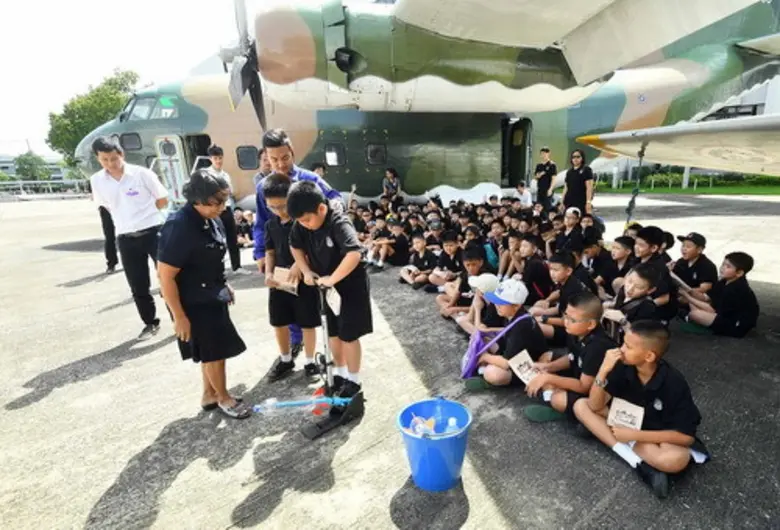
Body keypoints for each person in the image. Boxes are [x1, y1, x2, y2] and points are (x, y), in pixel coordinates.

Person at [574, 320, 709, 498]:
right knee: (581, 405)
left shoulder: (674, 383)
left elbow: (685, 437)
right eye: (623, 342)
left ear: (649, 356)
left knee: (675, 460)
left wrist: (634, 435)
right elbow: (595, 405)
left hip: (656, 432)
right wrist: (603, 370)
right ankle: (639, 464)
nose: (621, 349)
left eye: (628, 347)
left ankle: (604, 434)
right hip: (627, 420)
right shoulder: (622, 364)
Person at [157, 169, 250, 419]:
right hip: (191, 301)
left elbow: (213, 258)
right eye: (216, 202)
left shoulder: (211, 218)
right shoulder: (179, 226)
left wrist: (224, 284)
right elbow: (165, 276)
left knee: (214, 349)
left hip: (211, 294)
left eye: (224, 201)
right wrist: (179, 316)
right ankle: (224, 398)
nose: (222, 207)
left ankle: (209, 394)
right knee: (213, 352)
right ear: (197, 200)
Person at [254, 129, 342, 356]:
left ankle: (320, 352)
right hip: (282, 256)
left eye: (285, 157)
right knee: (286, 300)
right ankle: (295, 344)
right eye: (273, 159)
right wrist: (260, 253)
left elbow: (334, 197)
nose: (280, 164)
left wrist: (334, 208)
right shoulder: (264, 188)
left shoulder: (309, 180)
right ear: (266, 157)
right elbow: (261, 223)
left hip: (311, 256)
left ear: (292, 152)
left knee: (313, 307)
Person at [288, 181, 373, 399]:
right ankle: (339, 373)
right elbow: (295, 246)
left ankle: (354, 380)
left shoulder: (338, 222)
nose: (304, 225)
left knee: (349, 335)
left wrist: (332, 279)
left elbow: (354, 254)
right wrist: (306, 271)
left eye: (307, 220)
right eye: (300, 221)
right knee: (332, 332)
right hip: (326, 287)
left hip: (350, 285)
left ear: (321, 209)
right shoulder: (302, 223)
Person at [89, 136, 168, 340]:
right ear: (98, 158)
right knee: (138, 284)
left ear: (121, 154)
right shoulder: (97, 181)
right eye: (105, 160)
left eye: (114, 158)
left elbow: (163, 199)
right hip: (126, 237)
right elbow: (106, 206)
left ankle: (179, 318)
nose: (110, 164)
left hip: (154, 232)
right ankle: (150, 322)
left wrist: (146, 215)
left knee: (169, 279)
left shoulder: (142, 174)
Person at [262, 173, 321, 382]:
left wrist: (299, 265)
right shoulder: (271, 225)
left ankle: (310, 361)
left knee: (307, 322)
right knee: (279, 322)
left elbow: (313, 248)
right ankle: (286, 359)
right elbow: (270, 252)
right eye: (272, 207)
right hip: (280, 281)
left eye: (282, 206)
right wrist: (268, 273)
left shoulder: (304, 222)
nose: (278, 211)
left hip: (303, 280)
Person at [524, 291, 616, 423]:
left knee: (558, 399)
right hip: (579, 372)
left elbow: (584, 386)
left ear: (590, 324)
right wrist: (548, 367)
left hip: (596, 391)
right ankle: (551, 396)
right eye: (565, 315)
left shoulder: (597, 347)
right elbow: (572, 357)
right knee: (546, 358)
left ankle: (562, 408)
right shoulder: (576, 331)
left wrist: (549, 378)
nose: (565, 322)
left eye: (572, 320)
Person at [465, 279, 549, 390]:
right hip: (515, 355)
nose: (497, 305)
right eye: (496, 301)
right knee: (483, 339)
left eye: (501, 303)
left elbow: (506, 363)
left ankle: (490, 380)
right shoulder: (515, 315)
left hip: (528, 365)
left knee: (492, 373)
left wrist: (484, 357)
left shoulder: (521, 327)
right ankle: (485, 369)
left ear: (516, 306)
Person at [682, 251, 759, 338]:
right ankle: (697, 319)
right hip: (720, 313)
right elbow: (706, 297)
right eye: (723, 264)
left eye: (728, 266)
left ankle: (695, 319)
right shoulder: (724, 281)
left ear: (739, 273)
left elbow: (712, 309)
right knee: (694, 303)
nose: (722, 268)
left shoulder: (737, 289)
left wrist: (687, 297)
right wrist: (689, 291)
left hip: (735, 324)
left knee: (695, 314)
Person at [207, 145, 249, 275]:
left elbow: (230, 191)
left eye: (220, 158)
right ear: (210, 159)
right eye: (215, 158)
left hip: (227, 207)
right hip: (214, 210)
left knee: (232, 237)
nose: (218, 161)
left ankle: (237, 266)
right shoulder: (207, 174)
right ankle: (217, 269)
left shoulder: (225, 175)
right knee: (216, 239)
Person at [562, 149, 594, 215]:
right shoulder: (569, 172)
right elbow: (566, 188)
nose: (575, 159)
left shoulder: (586, 170)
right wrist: (562, 201)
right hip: (569, 201)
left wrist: (588, 202)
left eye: (578, 157)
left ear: (582, 158)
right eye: (573, 157)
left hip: (581, 201)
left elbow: (589, 187)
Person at [533, 147, 557, 212]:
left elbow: (554, 179)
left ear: (548, 154)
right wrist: (539, 175)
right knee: (538, 206)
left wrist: (550, 189)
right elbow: (535, 177)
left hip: (548, 189)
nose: (543, 155)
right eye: (542, 153)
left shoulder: (552, 165)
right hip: (540, 189)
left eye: (545, 153)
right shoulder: (539, 165)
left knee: (547, 206)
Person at [97, 204, 118, 273]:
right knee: (109, 237)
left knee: (127, 234)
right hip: (106, 208)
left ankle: (132, 261)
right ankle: (111, 264)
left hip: (121, 206)